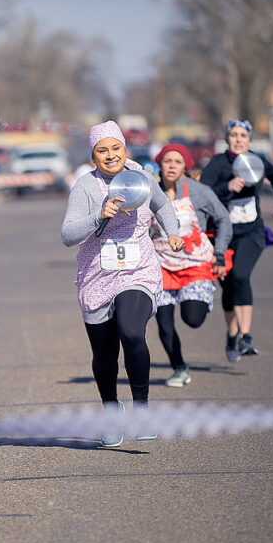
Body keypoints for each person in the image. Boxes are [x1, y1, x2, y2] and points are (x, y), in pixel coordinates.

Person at [61, 120, 184, 447]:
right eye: (103, 151)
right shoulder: (86, 187)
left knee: (131, 331)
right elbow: (67, 235)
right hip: (97, 275)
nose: (111, 155)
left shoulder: (141, 177)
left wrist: (173, 231)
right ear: (93, 157)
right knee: (104, 355)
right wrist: (99, 215)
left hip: (138, 270)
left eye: (116, 148)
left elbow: (161, 204)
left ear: (124, 149)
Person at [200, 119, 273, 362]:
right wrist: (226, 187)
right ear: (227, 139)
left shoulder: (257, 160)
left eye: (243, 136)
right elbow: (202, 193)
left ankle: (246, 336)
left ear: (249, 140)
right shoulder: (218, 163)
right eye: (234, 135)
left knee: (240, 275)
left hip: (252, 232)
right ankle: (232, 334)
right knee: (228, 287)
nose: (239, 139)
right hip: (222, 236)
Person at [151, 144, 233, 387]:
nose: (172, 166)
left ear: (186, 166)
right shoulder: (151, 192)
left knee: (192, 319)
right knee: (164, 323)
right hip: (162, 266)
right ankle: (179, 368)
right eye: (168, 161)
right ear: (160, 164)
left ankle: (200, 300)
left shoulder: (199, 191)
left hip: (195, 265)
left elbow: (223, 219)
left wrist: (219, 254)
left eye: (178, 161)